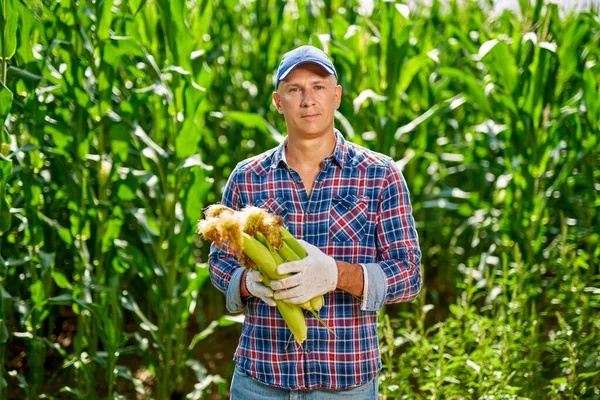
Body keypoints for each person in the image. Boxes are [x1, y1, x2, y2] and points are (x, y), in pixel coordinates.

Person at [208, 45, 422, 399]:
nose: (308, 99)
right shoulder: (248, 177)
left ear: (336, 96)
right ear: (279, 102)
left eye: (318, 87)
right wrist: (248, 281)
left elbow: (409, 274)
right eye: (294, 89)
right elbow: (219, 263)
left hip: (345, 382)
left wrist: (337, 275)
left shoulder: (379, 175)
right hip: (260, 379)